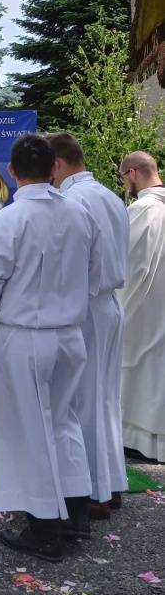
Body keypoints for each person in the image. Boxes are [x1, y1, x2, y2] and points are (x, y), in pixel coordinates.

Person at [0, 134, 101, 561]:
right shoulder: (80, 213)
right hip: (70, 334)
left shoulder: (10, 219)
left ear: (11, 170)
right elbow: (93, 272)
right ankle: (77, 511)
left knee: (29, 430)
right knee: (64, 421)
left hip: (26, 335)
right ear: (54, 167)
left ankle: (44, 530)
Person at [48, 133, 130, 517]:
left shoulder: (72, 200)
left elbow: (69, 263)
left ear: (58, 164)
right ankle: (110, 483)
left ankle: (94, 491)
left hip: (86, 305)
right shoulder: (112, 196)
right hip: (110, 304)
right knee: (106, 396)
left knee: (81, 399)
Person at [117, 151, 165, 462]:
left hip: (146, 306)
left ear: (133, 173)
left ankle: (142, 440)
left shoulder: (143, 210)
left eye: (124, 179)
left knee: (143, 371)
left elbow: (122, 263)